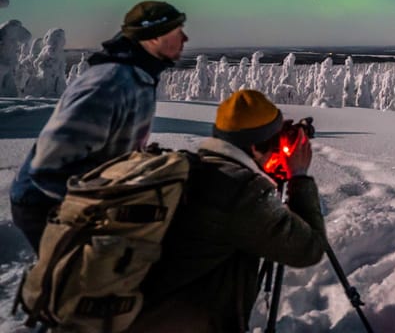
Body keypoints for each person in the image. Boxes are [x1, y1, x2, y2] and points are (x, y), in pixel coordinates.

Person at [130, 89, 327, 332]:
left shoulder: (193, 169)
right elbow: (310, 249)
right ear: (255, 148)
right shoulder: (241, 193)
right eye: (274, 142)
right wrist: (299, 177)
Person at [9, 0, 188, 252]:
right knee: (82, 282)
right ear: (154, 37)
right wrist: (112, 202)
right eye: (177, 32)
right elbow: (48, 167)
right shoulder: (110, 83)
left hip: (79, 198)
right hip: (43, 203)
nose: (185, 38)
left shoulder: (139, 77)